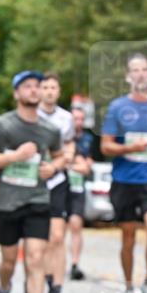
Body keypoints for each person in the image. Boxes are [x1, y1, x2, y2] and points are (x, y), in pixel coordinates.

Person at [0, 71, 65, 293]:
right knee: (7, 262)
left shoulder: (50, 130)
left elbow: (60, 157)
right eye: (27, 86)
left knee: (36, 258)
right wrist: (16, 156)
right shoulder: (2, 125)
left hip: (38, 200)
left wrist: (52, 167)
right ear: (16, 93)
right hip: (8, 202)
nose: (33, 90)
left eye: (37, 86)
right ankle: (4, 288)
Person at [100, 54, 147, 293]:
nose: (140, 74)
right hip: (124, 180)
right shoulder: (117, 107)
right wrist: (131, 147)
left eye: (144, 69)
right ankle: (129, 288)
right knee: (128, 237)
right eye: (135, 70)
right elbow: (105, 145)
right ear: (128, 76)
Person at [38, 72, 75, 293]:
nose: (50, 91)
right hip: (34, 182)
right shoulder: (31, 116)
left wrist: (65, 158)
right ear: (39, 91)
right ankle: (39, 280)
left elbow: (69, 146)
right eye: (46, 87)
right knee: (38, 241)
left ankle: (56, 290)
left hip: (58, 180)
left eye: (54, 87)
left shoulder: (67, 118)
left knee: (58, 237)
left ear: (58, 92)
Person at [67, 107, 94, 281]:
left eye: (81, 119)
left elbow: (87, 167)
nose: (78, 122)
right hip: (60, 188)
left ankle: (75, 263)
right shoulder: (61, 137)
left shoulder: (87, 139)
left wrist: (73, 165)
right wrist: (77, 164)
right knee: (57, 230)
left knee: (76, 225)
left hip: (77, 188)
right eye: (75, 118)